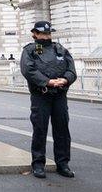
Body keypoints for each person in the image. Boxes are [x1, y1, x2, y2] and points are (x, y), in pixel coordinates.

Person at [20, 21, 76, 180]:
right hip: (41, 95)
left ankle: (63, 163)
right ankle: (38, 164)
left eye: (48, 33)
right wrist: (47, 82)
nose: (46, 36)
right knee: (40, 129)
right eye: (42, 34)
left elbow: (71, 69)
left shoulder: (60, 49)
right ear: (35, 34)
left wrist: (65, 80)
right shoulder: (30, 50)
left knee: (62, 130)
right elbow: (28, 70)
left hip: (59, 94)